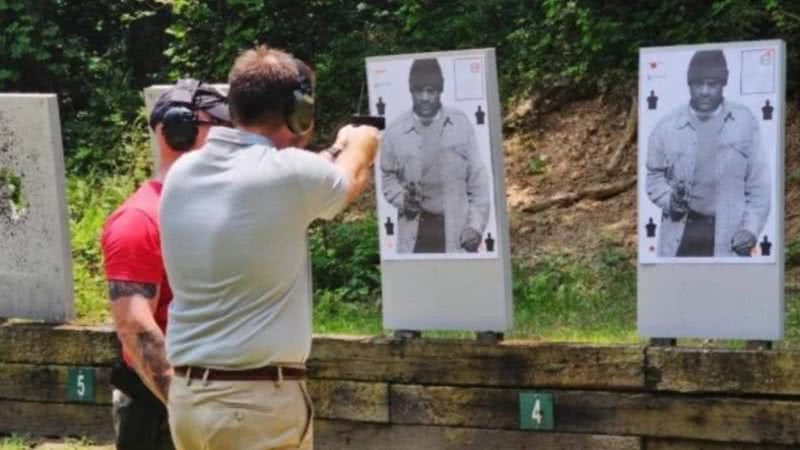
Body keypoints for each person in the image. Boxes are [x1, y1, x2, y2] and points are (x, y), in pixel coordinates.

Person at [159, 46, 380, 450]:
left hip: (191, 399)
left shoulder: (184, 171)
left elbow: (293, 172)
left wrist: (332, 149)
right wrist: (361, 140)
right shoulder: (288, 175)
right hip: (255, 404)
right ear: (300, 112)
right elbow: (349, 178)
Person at [101, 79, 230, 450]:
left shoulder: (210, 207)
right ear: (177, 131)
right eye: (219, 129)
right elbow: (135, 326)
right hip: (163, 408)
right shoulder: (139, 219)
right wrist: (188, 408)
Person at [646, 49, 770, 257]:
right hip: (681, 234)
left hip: (729, 235)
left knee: (728, 290)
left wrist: (750, 229)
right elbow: (654, 177)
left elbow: (759, 184)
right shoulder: (666, 127)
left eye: (712, 84)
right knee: (678, 289)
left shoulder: (745, 122)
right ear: (689, 85)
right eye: (698, 84)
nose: (704, 91)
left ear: (723, 84)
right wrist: (669, 200)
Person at [380, 57, 491, 253]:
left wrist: (475, 226)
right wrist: (403, 200)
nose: (424, 97)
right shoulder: (394, 132)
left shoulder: (461, 124)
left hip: (456, 232)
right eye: (418, 91)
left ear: (440, 91)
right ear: (411, 91)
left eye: (430, 91)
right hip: (414, 234)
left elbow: (478, 180)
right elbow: (388, 177)